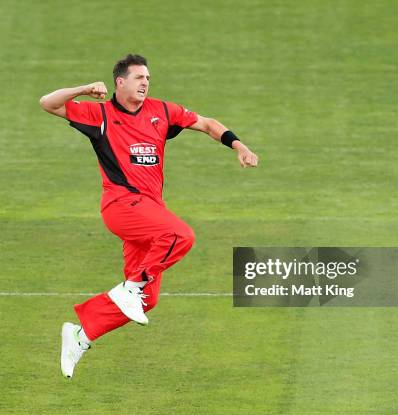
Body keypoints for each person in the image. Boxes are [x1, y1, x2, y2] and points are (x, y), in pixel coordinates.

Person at [39, 54, 258, 379]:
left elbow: (208, 124)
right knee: (181, 235)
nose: (145, 83)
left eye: (148, 79)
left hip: (149, 214)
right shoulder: (99, 115)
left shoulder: (162, 112)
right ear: (120, 82)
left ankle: (80, 335)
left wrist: (238, 145)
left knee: (147, 300)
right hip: (121, 205)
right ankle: (130, 286)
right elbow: (47, 102)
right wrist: (83, 89)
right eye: (139, 77)